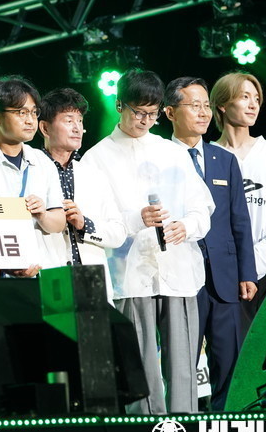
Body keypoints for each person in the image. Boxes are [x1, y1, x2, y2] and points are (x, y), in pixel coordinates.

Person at [81, 69, 214, 414]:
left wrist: (186, 226)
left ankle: (185, 429)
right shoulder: (96, 158)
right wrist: (135, 219)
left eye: (152, 114)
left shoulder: (172, 152)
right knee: (140, 370)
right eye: (138, 112)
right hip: (129, 274)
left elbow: (202, 207)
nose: (145, 121)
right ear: (119, 105)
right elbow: (95, 223)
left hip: (177, 270)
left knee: (183, 369)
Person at [164, 76, 257, 411]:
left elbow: (240, 221)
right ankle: (184, 428)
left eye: (206, 105)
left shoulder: (224, 160)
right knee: (183, 365)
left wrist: (247, 272)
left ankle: (228, 427)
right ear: (170, 112)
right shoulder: (160, 157)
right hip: (181, 278)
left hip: (225, 278)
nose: (203, 113)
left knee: (230, 363)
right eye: (194, 106)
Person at [209, 72, 266, 330]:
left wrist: (249, 267)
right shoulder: (209, 157)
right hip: (226, 280)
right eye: (244, 97)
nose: (253, 105)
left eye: (257, 99)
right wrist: (233, 270)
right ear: (222, 104)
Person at [0, 76, 66, 276]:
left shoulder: (43, 161)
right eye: (21, 112)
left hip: (47, 272)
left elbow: (59, 222)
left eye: (33, 112)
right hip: (2, 276)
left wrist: (43, 214)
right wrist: (6, 264)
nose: (30, 120)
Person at [37, 87, 128, 300]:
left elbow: (118, 232)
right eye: (69, 120)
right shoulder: (31, 168)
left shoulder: (93, 174)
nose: (77, 127)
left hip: (91, 279)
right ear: (45, 127)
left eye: (79, 121)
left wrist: (85, 224)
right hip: (50, 276)